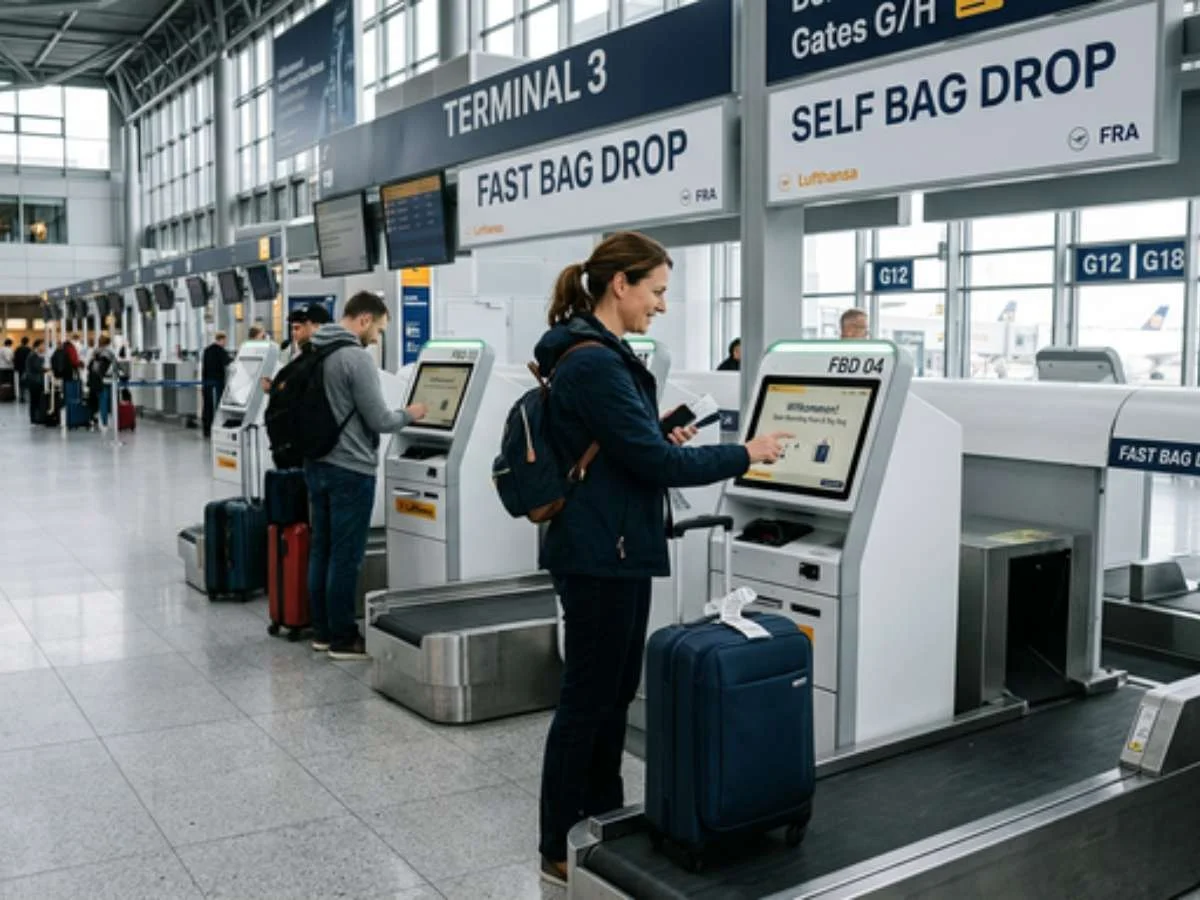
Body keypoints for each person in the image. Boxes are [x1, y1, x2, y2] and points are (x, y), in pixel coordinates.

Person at [532, 232, 788, 886]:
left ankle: (603, 814)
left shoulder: (594, 353)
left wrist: (655, 427)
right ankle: (559, 839)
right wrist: (745, 452)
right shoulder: (594, 361)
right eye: (657, 290)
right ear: (621, 284)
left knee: (612, 692)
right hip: (600, 550)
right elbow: (658, 463)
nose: (662, 304)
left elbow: (634, 446)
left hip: (613, 541)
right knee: (590, 697)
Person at [306, 292, 428, 660]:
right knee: (346, 556)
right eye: (377, 329)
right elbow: (380, 420)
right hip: (350, 469)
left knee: (321, 550)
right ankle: (343, 637)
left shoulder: (313, 350)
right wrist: (412, 412)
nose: (377, 337)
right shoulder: (355, 357)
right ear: (363, 319)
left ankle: (323, 632)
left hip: (317, 463)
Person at [261, 304, 331, 392]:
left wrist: (278, 388)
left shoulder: (324, 356)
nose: (293, 333)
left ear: (316, 326)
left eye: (297, 328)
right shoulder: (296, 352)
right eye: (292, 329)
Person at [201, 332, 230, 439]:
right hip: (217, 383)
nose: (225, 343)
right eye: (225, 341)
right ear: (222, 339)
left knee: (207, 406)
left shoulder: (207, 350)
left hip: (206, 383)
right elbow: (229, 363)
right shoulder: (221, 351)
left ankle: (206, 429)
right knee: (217, 406)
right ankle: (216, 429)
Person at [86, 335, 116, 430]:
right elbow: (114, 365)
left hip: (92, 380)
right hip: (102, 380)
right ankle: (105, 423)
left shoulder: (94, 352)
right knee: (103, 401)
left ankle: (93, 421)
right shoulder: (108, 353)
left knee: (93, 402)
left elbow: (89, 366)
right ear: (108, 343)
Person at [25, 340, 45, 424]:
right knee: (35, 400)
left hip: (34, 380)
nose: (44, 347)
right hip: (34, 381)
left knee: (35, 400)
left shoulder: (34, 355)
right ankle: (35, 418)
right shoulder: (34, 355)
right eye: (43, 345)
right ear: (38, 346)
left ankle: (35, 418)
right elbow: (38, 368)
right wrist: (46, 368)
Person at [13, 337, 30, 403]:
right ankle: (25, 396)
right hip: (26, 368)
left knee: (21, 382)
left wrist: (16, 367)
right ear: (27, 342)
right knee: (26, 382)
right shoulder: (28, 349)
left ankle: (21, 396)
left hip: (20, 368)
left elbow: (15, 359)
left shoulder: (18, 349)